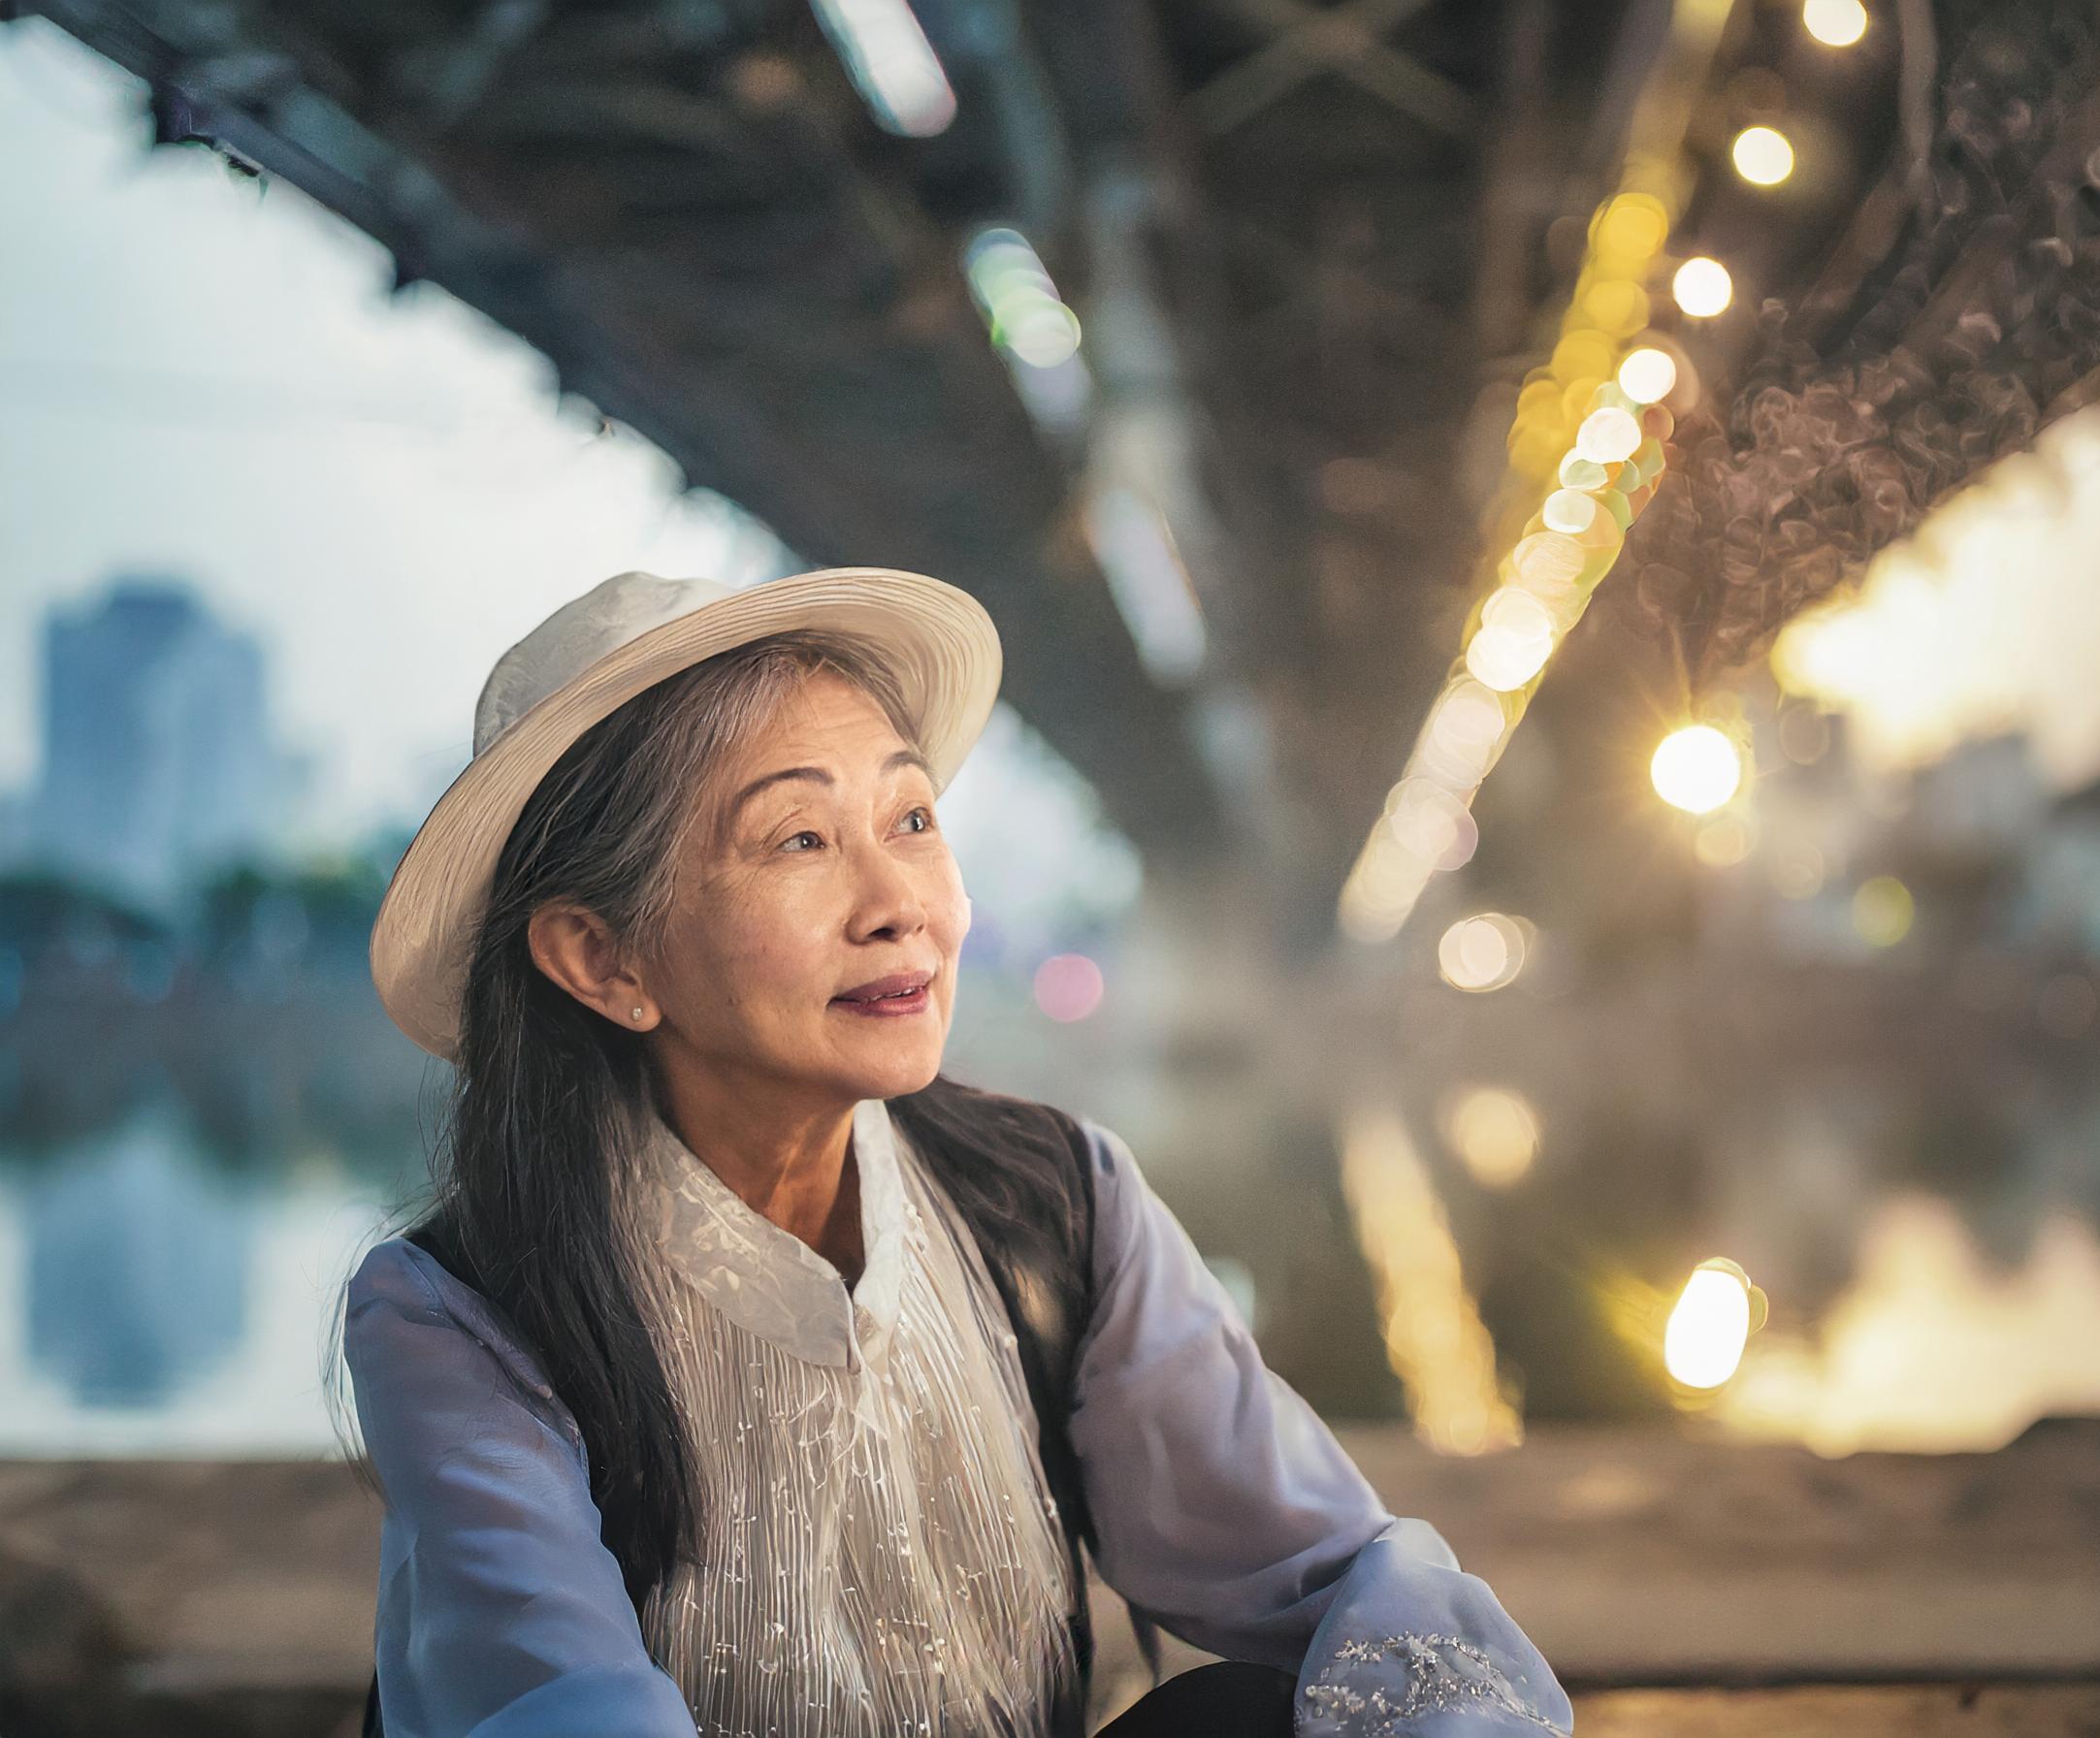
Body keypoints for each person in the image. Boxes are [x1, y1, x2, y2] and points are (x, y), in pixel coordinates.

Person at [343, 565, 1572, 1737]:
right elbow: (562, 1702)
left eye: (912, 816)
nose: (902, 904)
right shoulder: (463, 1312)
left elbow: (1331, 1566)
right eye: (799, 841)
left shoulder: (1055, 1202)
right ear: (603, 960)